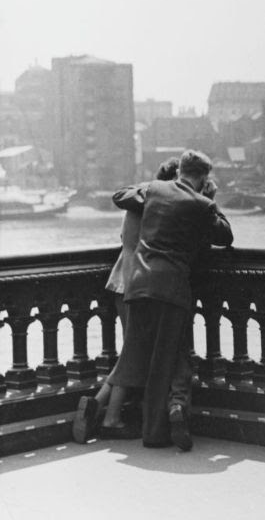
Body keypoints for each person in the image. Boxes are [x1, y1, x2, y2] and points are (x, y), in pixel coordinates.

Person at [96, 150, 232, 449]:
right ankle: (158, 431)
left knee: (136, 354)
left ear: (181, 169)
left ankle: (102, 406)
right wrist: (212, 204)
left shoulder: (155, 190)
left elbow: (120, 196)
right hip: (171, 288)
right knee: (165, 360)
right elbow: (225, 236)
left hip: (136, 284)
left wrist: (148, 188)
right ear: (203, 177)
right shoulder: (201, 204)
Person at [72, 158, 180, 443]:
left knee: (133, 350)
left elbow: (125, 236)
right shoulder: (164, 204)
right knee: (134, 354)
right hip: (140, 282)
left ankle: (98, 407)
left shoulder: (140, 197)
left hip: (121, 276)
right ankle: (109, 415)